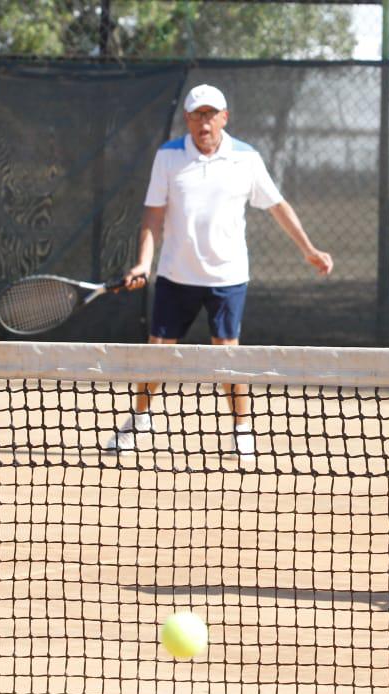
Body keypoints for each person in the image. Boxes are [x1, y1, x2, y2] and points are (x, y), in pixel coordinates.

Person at [105, 83, 333, 456]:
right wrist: (144, 262)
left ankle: (242, 429)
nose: (203, 123)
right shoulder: (168, 156)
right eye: (196, 115)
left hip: (227, 278)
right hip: (176, 275)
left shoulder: (246, 158)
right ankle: (140, 420)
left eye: (210, 115)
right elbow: (153, 214)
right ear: (187, 120)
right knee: (156, 352)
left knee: (228, 354)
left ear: (224, 118)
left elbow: (277, 205)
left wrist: (308, 249)